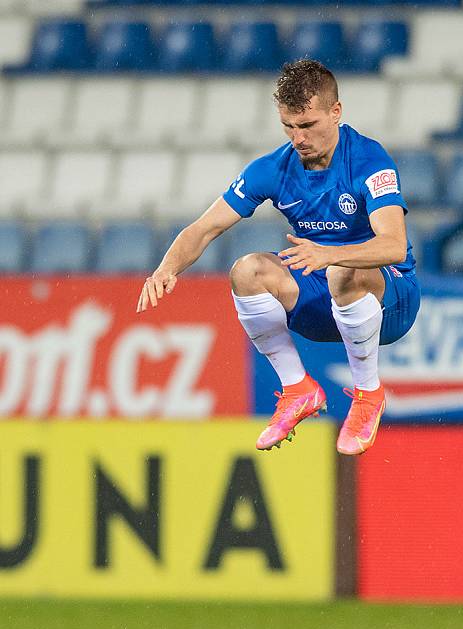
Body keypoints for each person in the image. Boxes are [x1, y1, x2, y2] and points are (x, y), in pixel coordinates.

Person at [137, 59, 420, 455]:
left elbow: (392, 244)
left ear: (336, 112)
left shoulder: (370, 161)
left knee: (342, 270)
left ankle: (368, 394)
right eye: (289, 126)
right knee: (247, 271)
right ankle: (297, 389)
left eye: (307, 125)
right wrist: (166, 269)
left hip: (391, 299)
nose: (298, 138)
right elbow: (204, 227)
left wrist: (329, 253)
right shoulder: (273, 168)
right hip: (323, 296)